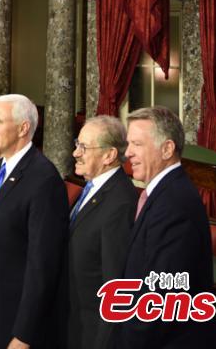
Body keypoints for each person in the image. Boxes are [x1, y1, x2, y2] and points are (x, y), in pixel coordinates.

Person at [0, 93, 68, 349]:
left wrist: (25, 333)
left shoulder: (44, 179)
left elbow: (43, 265)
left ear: (23, 128)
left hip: (18, 322)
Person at [117, 106, 216, 349]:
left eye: (137, 144)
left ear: (167, 149)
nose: (128, 153)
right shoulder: (164, 193)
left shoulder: (174, 205)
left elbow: (160, 299)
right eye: (128, 144)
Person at [65, 115, 138, 349]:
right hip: (73, 322)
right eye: (77, 144)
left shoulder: (120, 203)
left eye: (83, 147)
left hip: (93, 332)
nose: (76, 153)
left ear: (109, 155)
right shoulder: (90, 188)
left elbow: (115, 284)